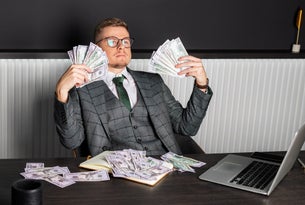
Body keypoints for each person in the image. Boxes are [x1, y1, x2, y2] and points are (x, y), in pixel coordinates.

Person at [54, 17, 213, 156]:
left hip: (164, 168)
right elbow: (71, 141)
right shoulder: (82, 88)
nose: (121, 46)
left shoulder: (153, 82)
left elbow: (186, 127)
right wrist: (61, 92)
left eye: (125, 41)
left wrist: (201, 84)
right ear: (96, 48)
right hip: (115, 175)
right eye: (112, 41)